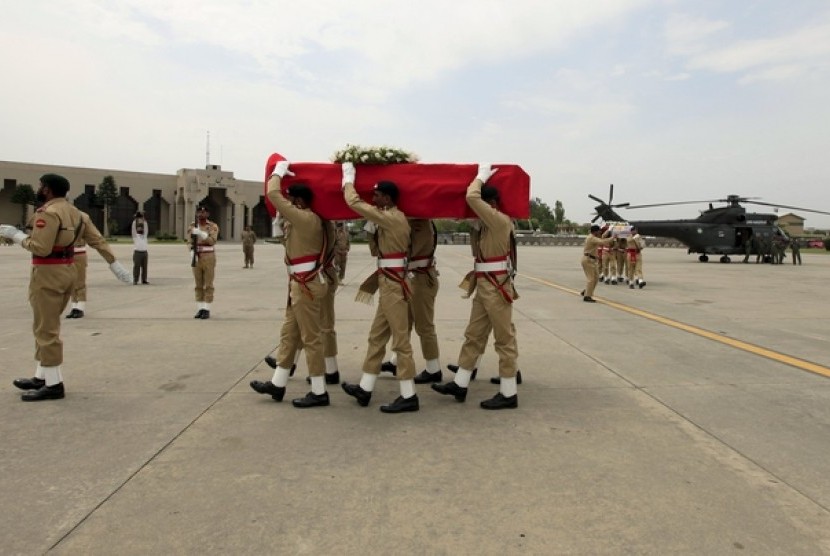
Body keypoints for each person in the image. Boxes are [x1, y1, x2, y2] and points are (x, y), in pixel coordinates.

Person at [0, 174, 130, 401]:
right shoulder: (78, 214)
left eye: (41, 186)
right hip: (67, 271)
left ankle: (53, 385)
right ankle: (43, 375)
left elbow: (40, 247)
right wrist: (114, 263)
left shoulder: (48, 213)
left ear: (48, 190)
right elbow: (98, 240)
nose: (39, 189)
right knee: (45, 325)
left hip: (48, 273)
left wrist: (17, 235)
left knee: (46, 329)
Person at [432, 164, 520, 409]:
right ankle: (460, 384)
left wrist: (480, 176)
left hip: (495, 285)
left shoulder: (499, 221)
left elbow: (471, 196)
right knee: (474, 334)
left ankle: (509, 391)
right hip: (484, 285)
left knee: (504, 339)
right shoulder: (487, 225)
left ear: (490, 205)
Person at [340, 162, 419, 413]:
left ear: (386, 198)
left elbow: (354, 204)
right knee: (376, 338)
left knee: (401, 341)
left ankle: (409, 395)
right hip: (388, 283)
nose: (372, 199)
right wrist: (371, 231)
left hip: (393, 286)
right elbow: (377, 251)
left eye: (376, 195)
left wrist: (348, 180)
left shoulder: (392, 218)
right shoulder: (387, 219)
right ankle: (365, 387)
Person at [250, 161, 331, 407]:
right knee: (289, 336)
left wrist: (277, 173)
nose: (289, 204)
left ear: (299, 202)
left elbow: (273, 194)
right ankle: (278, 383)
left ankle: (319, 391)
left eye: (292, 200)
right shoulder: (302, 220)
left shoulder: (307, 219)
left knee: (311, 339)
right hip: (299, 284)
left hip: (306, 285)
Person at [380, 219, 443, 384]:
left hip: (421, 279)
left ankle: (433, 368)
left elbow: (407, 250)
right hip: (410, 278)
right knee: (404, 323)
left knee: (424, 326)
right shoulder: (410, 221)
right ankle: (395, 361)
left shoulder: (420, 224)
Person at [66, 210, 130, 318]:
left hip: (75, 252)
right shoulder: (81, 216)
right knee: (72, 283)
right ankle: (74, 306)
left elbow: (97, 240)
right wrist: (114, 263)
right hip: (69, 253)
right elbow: (98, 240)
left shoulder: (55, 213)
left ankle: (79, 307)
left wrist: (113, 262)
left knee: (79, 281)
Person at [188, 205, 219, 319]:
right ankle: (200, 308)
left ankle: (206, 309)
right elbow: (189, 241)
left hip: (208, 256)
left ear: (208, 214)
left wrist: (202, 234)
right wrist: (191, 250)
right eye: (200, 212)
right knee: (198, 284)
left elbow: (212, 241)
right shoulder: (192, 226)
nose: (202, 214)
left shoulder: (212, 226)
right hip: (197, 256)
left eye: (204, 212)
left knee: (208, 284)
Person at [581, 224, 615, 303]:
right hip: (588, 260)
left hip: (592, 260)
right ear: (595, 232)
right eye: (599, 231)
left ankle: (586, 291)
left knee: (596, 278)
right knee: (591, 279)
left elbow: (602, 237)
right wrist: (613, 238)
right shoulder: (591, 238)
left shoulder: (593, 237)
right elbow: (602, 241)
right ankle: (587, 296)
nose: (600, 232)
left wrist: (609, 230)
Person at [132, 211, 149, 284]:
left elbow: (146, 229)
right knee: (137, 267)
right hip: (137, 252)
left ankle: (144, 280)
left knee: (145, 267)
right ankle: (135, 280)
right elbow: (133, 228)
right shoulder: (135, 236)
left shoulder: (144, 235)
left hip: (144, 252)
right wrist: (136, 219)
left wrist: (144, 220)